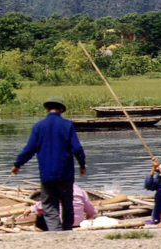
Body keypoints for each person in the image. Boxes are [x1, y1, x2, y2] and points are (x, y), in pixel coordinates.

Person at [11, 95, 86, 232]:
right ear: (62, 109)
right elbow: (77, 148)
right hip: (65, 174)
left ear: (47, 108)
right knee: (67, 204)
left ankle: (55, 233)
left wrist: (18, 164)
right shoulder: (67, 125)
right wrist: (82, 165)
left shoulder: (38, 126)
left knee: (50, 206)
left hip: (47, 174)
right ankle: (68, 231)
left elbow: (29, 149)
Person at [32, 184, 97, 230]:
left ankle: (40, 229)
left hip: (58, 225)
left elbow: (43, 206)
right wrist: (89, 218)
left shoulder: (55, 188)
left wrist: (32, 209)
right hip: (79, 224)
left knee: (42, 213)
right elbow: (91, 211)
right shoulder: (80, 190)